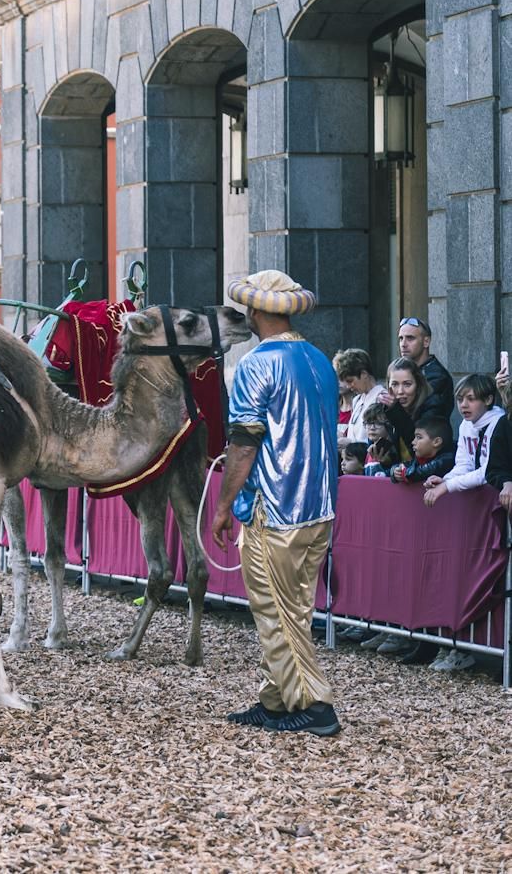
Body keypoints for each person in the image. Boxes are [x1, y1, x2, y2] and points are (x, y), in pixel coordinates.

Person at [209, 270, 340, 738]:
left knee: (274, 610)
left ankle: (313, 702)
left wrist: (224, 505)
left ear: (259, 311)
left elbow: (244, 443)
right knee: (295, 607)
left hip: (275, 504)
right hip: (319, 504)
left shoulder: (256, 364)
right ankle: (277, 697)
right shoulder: (319, 360)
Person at [423, 374, 504, 507]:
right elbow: (464, 464)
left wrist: (448, 486)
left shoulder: (500, 424)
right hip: (482, 498)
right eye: (460, 400)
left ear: (488, 399)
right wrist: (445, 480)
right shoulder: (465, 425)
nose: (463, 405)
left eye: (471, 399)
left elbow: (488, 471)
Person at [398, 318, 454, 422]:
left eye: (410, 338)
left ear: (426, 342)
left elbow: (416, 412)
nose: (403, 344)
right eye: (401, 338)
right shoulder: (404, 370)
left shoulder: (438, 376)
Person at [333, 349, 389, 445]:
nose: (348, 386)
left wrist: (350, 444)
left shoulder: (382, 398)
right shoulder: (357, 400)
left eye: (350, 381)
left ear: (364, 374)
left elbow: (381, 440)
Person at [383, 358, 431, 462]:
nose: (400, 391)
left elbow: (415, 443)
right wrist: (385, 461)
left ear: (418, 385)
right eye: (395, 384)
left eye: (407, 384)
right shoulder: (386, 411)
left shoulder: (430, 409)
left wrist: (396, 411)